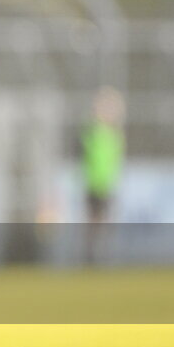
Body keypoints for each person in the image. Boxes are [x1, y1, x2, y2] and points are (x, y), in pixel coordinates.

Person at [80, 85, 125, 264]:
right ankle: (90, 256)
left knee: (104, 221)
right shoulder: (93, 130)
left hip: (107, 183)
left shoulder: (115, 134)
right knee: (93, 221)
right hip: (93, 182)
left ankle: (102, 255)